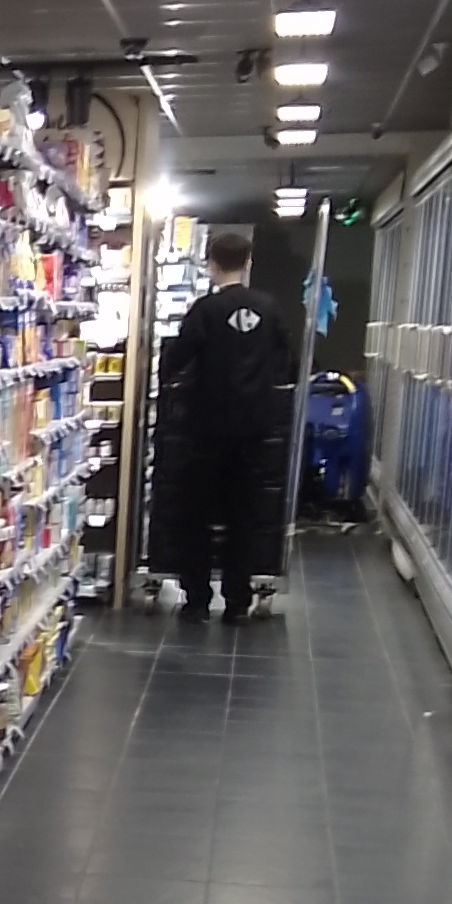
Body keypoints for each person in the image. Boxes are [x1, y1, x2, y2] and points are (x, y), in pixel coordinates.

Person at [159, 224, 297, 620]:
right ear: (248, 262)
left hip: (206, 428)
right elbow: (286, 359)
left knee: (197, 515)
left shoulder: (205, 311)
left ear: (212, 265)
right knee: (244, 515)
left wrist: (173, 385)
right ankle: (237, 601)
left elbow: (176, 359)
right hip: (255, 429)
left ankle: (197, 598)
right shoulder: (269, 308)